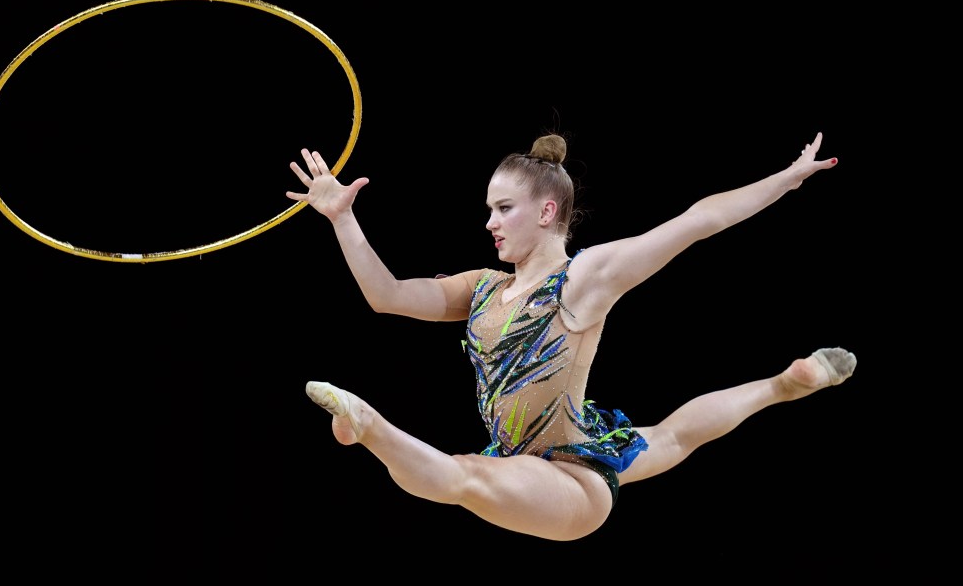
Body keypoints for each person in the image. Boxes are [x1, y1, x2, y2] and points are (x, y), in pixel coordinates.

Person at [285, 131, 857, 541]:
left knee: (464, 476)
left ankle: (368, 426)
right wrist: (341, 218)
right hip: (550, 454)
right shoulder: (480, 288)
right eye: (489, 209)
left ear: (546, 211)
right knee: (673, 438)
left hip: (571, 482)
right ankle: (783, 384)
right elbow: (386, 296)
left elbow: (699, 220)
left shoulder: (582, 281)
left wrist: (785, 180)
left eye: (503, 208)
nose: (489, 222)